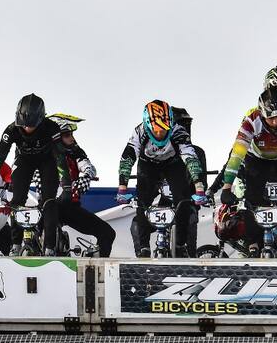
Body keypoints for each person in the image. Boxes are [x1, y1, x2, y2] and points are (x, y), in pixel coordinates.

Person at [218, 87, 277, 257]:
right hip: (257, 159)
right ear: (262, 114)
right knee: (251, 200)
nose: (276, 122)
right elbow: (236, 156)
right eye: (271, 118)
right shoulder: (251, 122)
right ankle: (253, 244)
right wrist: (227, 187)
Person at [0, 93, 73, 256]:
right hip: (23, 160)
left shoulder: (51, 127)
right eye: (24, 125)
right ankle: (15, 245)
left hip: (47, 160)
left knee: (49, 201)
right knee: (17, 199)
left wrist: (67, 186)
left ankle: (50, 247)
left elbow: (60, 157)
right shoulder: (11, 129)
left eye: (31, 125)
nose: (27, 128)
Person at [117, 100, 206, 257]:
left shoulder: (178, 132)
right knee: (143, 201)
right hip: (148, 164)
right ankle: (143, 247)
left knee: (184, 200)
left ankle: (180, 244)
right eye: (156, 130)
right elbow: (127, 158)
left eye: (163, 130)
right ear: (148, 125)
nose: (159, 134)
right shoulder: (140, 132)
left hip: (173, 164)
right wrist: (122, 187)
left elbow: (191, 159)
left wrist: (199, 188)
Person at [32, 113, 116, 256]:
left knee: (107, 233)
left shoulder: (75, 150)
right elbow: (28, 170)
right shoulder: (42, 151)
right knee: (32, 235)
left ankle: (96, 270)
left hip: (69, 207)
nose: (71, 138)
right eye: (66, 135)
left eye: (71, 134)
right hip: (47, 207)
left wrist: (86, 177)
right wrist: (37, 176)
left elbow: (88, 166)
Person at [170, 107, 207, 256]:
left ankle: (188, 257)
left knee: (190, 218)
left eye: (186, 125)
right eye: (180, 125)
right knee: (137, 223)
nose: (184, 129)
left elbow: (203, 182)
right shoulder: (158, 152)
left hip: (188, 203)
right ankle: (143, 254)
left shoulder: (197, 152)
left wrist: (199, 193)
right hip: (165, 203)